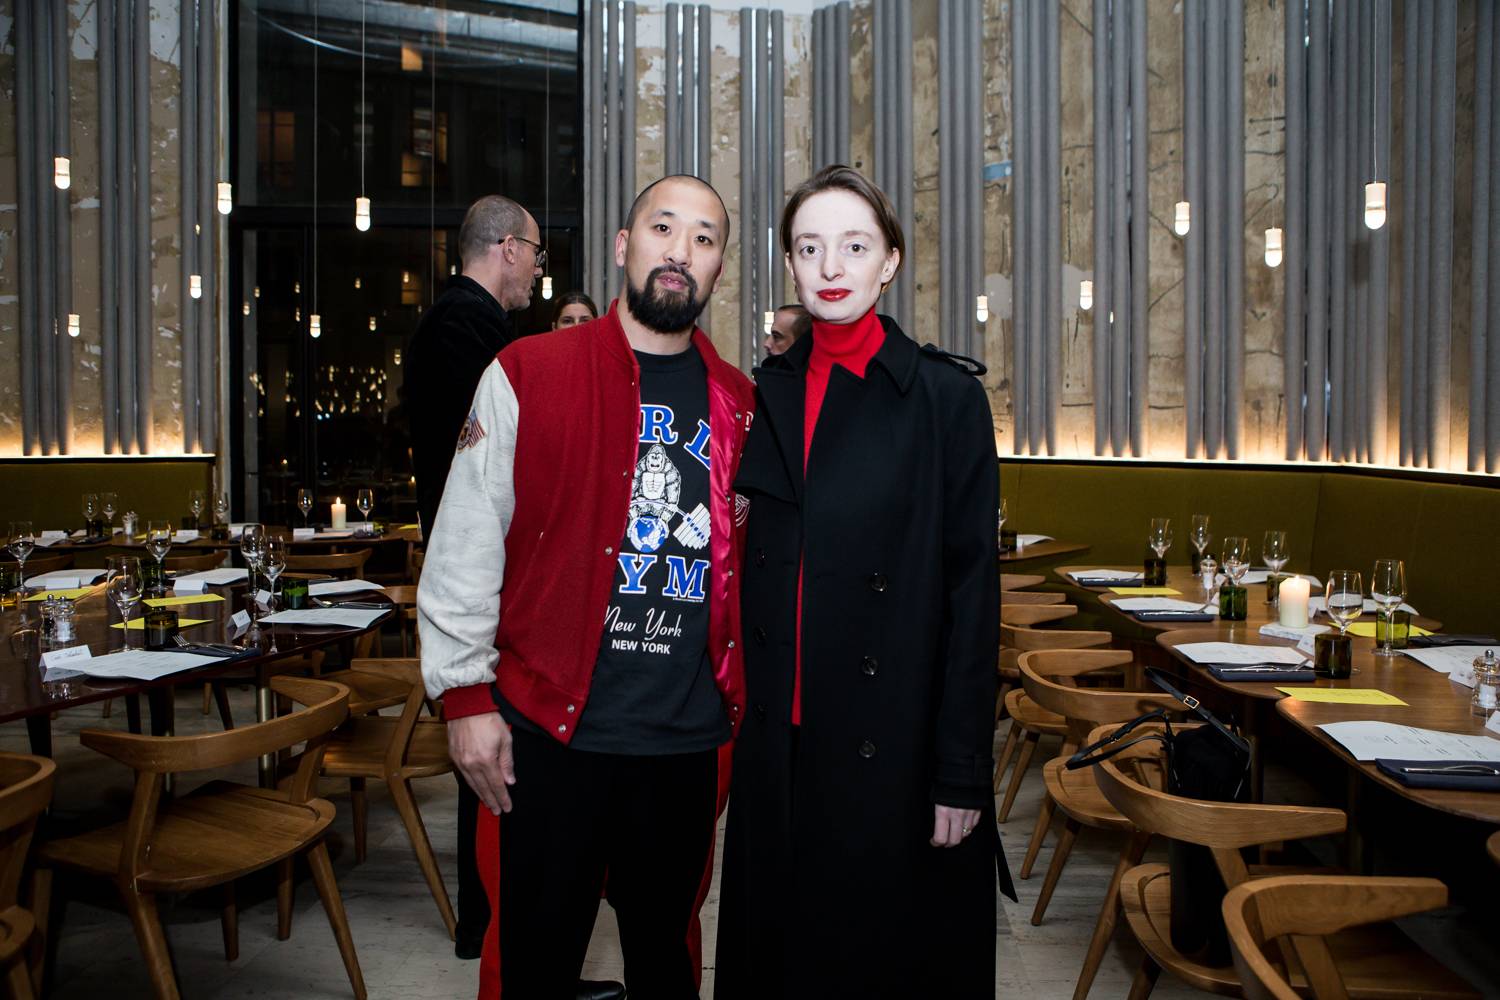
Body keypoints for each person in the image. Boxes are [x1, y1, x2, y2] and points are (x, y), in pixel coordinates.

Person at [418, 174, 755, 1000]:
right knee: (533, 965)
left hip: (683, 743)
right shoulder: (526, 371)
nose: (681, 251)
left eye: (704, 238)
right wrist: (464, 698)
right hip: (546, 736)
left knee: (666, 967)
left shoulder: (741, 404)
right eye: (663, 228)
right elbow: (464, 542)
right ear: (622, 246)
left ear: (719, 268)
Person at [715, 164, 1016, 1000]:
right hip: (780, 747)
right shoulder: (766, 392)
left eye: (854, 245)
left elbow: (971, 600)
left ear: (890, 261)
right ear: (789, 262)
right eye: (809, 248)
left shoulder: (944, 399)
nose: (830, 266)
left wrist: (962, 770)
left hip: (894, 747)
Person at [405, 193, 540, 963]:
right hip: (484, 569)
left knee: (490, 760)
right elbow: (493, 472)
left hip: (477, 563)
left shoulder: (452, 324)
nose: (536, 273)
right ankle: (493, 933)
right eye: (535, 255)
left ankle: (494, 932)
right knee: (491, 759)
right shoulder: (469, 331)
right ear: (508, 248)